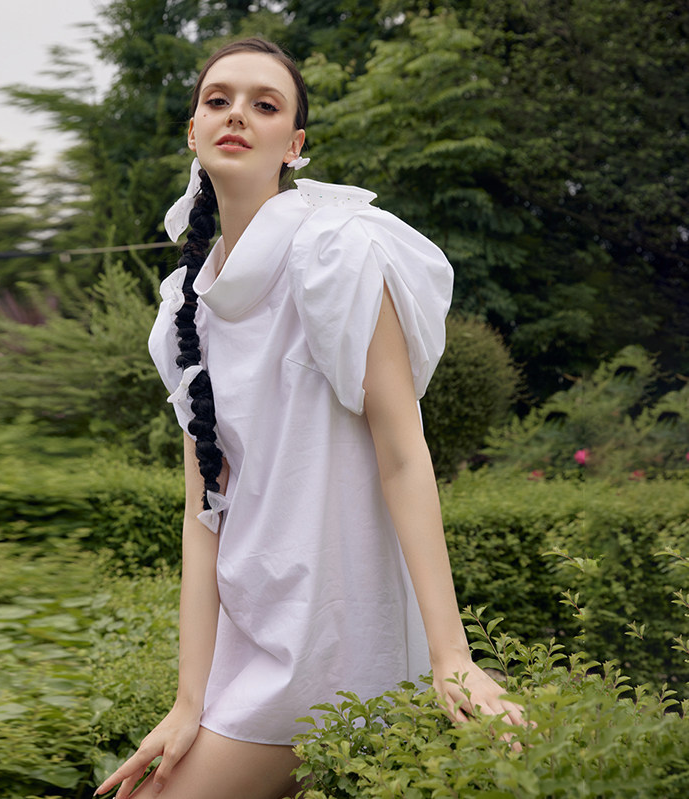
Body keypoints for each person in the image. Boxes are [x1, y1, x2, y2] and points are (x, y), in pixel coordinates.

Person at [96, 37, 523, 799]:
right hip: (246, 639)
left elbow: (402, 454)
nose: (236, 115)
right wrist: (188, 700)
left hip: (325, 642)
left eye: (263, 105)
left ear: (293, 145)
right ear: (192, 130)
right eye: (218, 100)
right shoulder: (182, 308)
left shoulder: (336, 253)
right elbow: (203, 513)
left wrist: (452, 658)